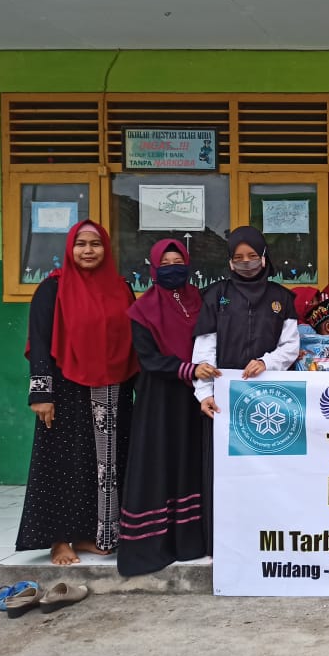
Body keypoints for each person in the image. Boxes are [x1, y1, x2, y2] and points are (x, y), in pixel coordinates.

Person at [18, 220, 138, 566]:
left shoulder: (121, 288)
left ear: (106, 249)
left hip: (114, 390)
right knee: (63, 463)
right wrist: (41, 394)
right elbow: (40, 341)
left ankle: (91, 534)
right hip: (67, 389)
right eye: (81, 244)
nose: (88, 250)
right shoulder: (52, 289)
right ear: (70, 248)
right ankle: (59, 540)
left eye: (95, 244)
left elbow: (132, 340)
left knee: (106, 464)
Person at [192, 226, 301, 550]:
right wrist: (204, 393)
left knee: (269, 470)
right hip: (224, 402)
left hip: (269, 399)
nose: (246, 262)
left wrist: (267, 363)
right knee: (224, 473)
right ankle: (221, 544)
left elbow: (290, 347)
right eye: (238, 257)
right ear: (229, 261)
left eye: (252, 256)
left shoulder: (282, 298)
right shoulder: (215, 295)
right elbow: (205, 349)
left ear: (264, 257)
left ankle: (267, 541)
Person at [119, 239, 207, 577]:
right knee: (161, 463)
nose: (173, 269)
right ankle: (155, 544)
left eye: (178, 262)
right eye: (165, 263)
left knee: (191, 463)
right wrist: (188, 370)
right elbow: (149, 359)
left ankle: (191, 542)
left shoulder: (199, 300)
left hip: (197, 398)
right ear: (154, 267)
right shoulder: (142, 310)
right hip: (160, 400)